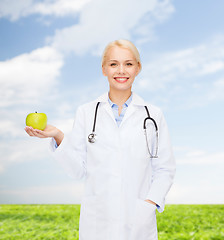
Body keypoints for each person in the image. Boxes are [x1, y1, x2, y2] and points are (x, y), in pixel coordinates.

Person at [25, 39, 176, 240]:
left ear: (138, 68)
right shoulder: (87, 112)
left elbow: (165, 168)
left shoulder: (153, 115)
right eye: (113, 64)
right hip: (97, 224)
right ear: (104, 69)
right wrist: (59, 136)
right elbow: (77, 170)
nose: (121, 70)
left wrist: (149, 204)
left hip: (139, 222)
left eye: (128, 64)